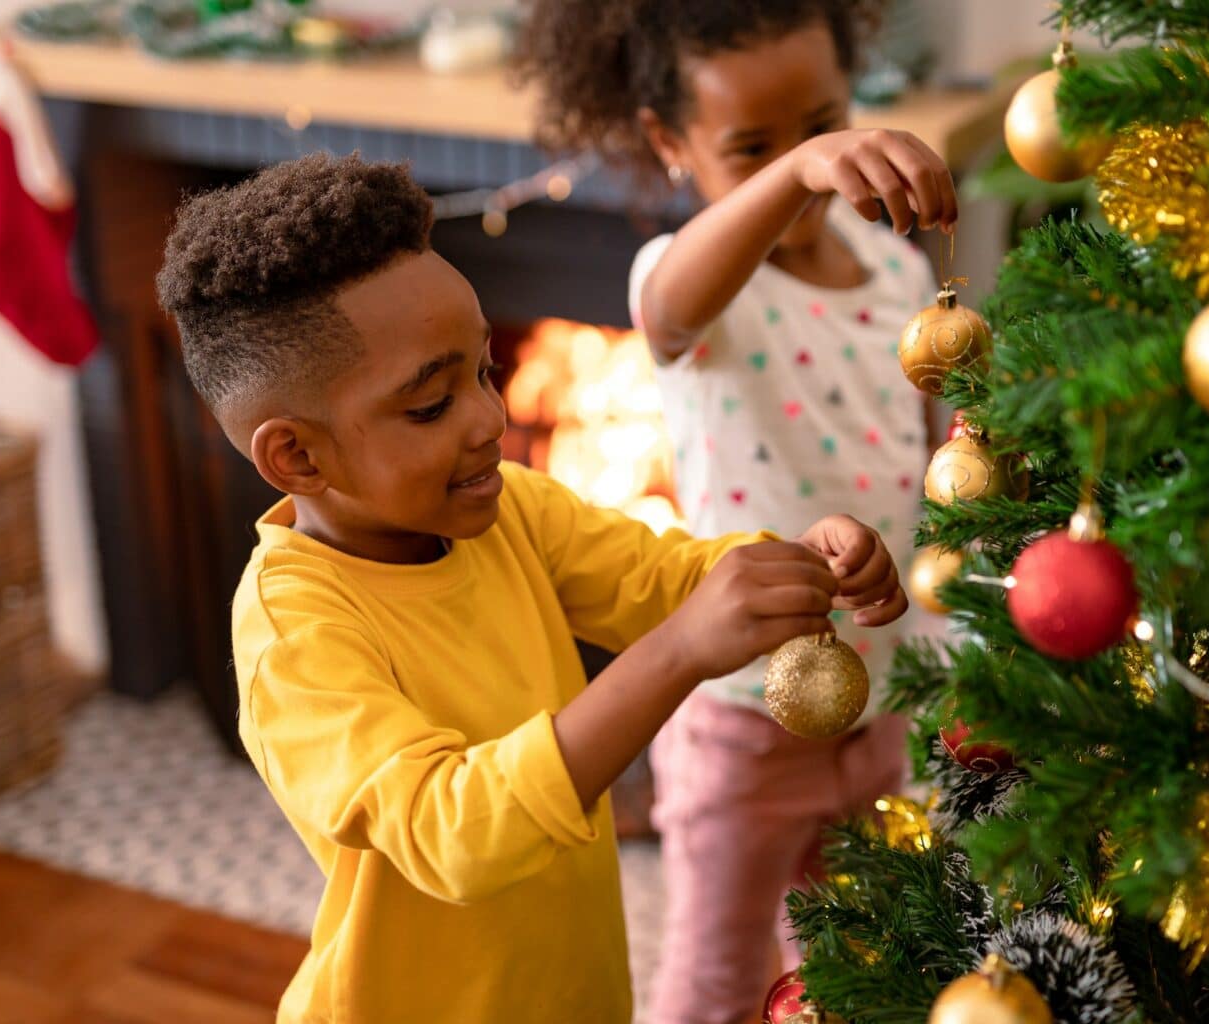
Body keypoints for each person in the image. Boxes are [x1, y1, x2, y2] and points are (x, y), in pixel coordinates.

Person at [153, 152, 909, 1024]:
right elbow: (455, 831)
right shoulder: (295, 637)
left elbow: (663, 579)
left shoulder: (511, 512)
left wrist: (798, 561)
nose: (488, 419)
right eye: (431, 406)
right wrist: (677, 652)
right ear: (297, 456)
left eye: (484, 372)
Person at [516, 2, 959, 1020]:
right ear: (671, 144)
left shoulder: (895, 269)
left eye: (822, 127)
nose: (805, 166)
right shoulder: (693, 288)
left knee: (860, 970)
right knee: (715, 984)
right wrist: (799, 171)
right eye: (751, 148)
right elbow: (669, 302)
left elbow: (913, 448)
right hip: (742, 726)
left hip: (879, 701)